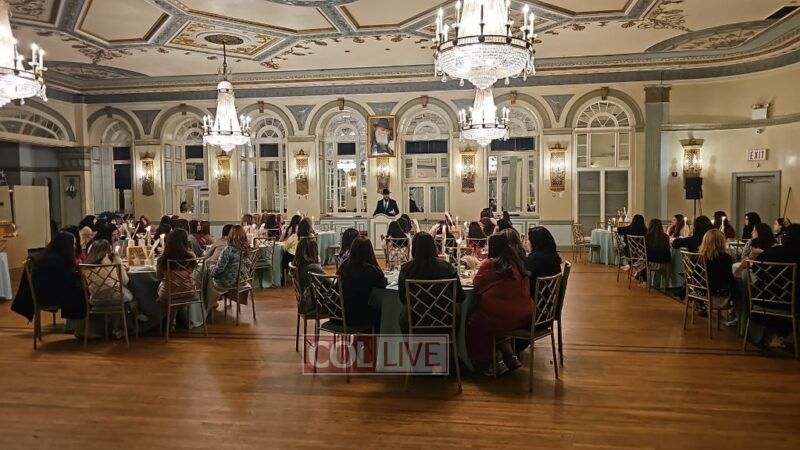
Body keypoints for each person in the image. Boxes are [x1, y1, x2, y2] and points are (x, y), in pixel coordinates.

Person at [467, 232, 531, 376]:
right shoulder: (516, 263)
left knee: (475, 320)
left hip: (504, 317)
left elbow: (476, 285)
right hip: (524, 314)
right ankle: (509, 356)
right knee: (492, 313)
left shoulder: (492, 264)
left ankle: (487, 362)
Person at [398, 232, 465, 320]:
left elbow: (402, 299)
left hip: (415, 318)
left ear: (413, 248)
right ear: (434, 247)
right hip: (444, 318)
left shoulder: (406, 269)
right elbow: (460, 297)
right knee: (458, 309)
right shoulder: (447, 267)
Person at [83, 239, 137, 335]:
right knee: (130, 297)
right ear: (108, 250)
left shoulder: (85, 265)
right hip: (114, 297)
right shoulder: (110, 262)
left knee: (121, 294)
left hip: (95, 299)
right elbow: (125, 281)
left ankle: (113, 328)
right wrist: (118, 261)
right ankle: (123, 327)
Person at [31, 232, 86, 320]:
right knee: (83, 293)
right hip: (49, 296)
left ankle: (76, 323)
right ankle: (78, 323)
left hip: (46, 292)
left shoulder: (50, 256)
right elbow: (67, 279)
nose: (75, 247)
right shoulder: (55, 261)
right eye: (73, 244)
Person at [337, 237, 387, 328]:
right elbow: (383, 283)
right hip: (358, 317)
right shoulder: (369, 270)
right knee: (384, 311)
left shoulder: (344, 266)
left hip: (339, 314)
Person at [210, 225, 252, 307]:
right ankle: (214, 302)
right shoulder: (247, 249)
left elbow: (220, 269)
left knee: (208, 278)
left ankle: (210, 304)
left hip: (229, 283)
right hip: (242, 281)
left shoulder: (228, 250)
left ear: (230, 235)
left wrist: (211, 271)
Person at [156, 229, 197, 305]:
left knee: (160, 287)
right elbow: (193, 271)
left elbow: (159, 277)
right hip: (189, 292)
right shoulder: (191, 257)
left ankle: (166, 312)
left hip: (168, 294)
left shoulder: (163, 259)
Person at [524, 227, 563, 297]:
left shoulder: (535, 259)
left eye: (528, 239)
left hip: (538, 298)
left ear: (535, 242)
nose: (526, 242)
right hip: (552, 297)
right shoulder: (552, 255)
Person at [292, 238, 325, 314]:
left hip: (304, 303)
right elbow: (330, 285)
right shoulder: (313, 268)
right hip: (315, 305)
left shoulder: (297, 266)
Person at [699, 229, 734, 298]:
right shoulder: (725, 258)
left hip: (700, 289)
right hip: (717, 291)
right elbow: (728, 278)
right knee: (739, 285)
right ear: (721, 242)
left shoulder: (698, 256)